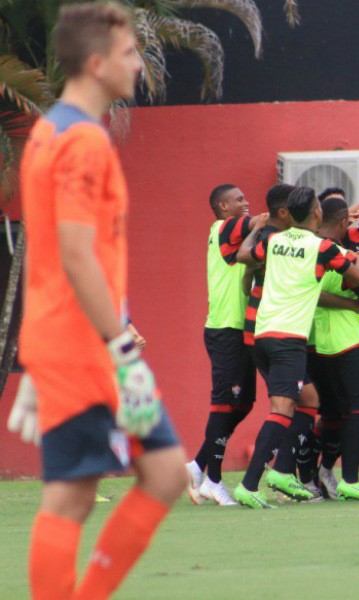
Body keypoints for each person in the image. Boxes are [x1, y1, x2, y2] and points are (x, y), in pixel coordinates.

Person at [6, 3, 187, 597]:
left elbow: (51, 255)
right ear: (95, 63)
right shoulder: (81, 142)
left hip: (79, 342)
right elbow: (76, 254)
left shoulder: (51, 133)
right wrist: (120, 348)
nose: (139, 64)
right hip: (87, 349)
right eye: (129, 53)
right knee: (72, 494)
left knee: (164, 472)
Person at [233, 186, 359, 508]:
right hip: (288, 339)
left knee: (309, 400)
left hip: (262, 335)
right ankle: (249, 484)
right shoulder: (323, 247)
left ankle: (282, 471)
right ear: (317, 212)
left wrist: (253, 231)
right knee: (282, 409)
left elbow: (242, 256)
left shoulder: (274, 241)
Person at [185, 183, 293, 498]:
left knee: (243, 403)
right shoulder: (223, 226)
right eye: (239, 199)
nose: (246, 203)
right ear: (223, 206)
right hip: (225, 328)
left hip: (241, 328)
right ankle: (214, 480)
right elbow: (261, 219)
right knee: (224, 404)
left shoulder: (234, 235)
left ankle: (198, 465)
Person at [308, 195, 359, 501]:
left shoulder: (304, 251)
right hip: (347, 341)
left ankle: (311, 475)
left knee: (329, 412)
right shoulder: (343, 255)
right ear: (344, 222)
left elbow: (311, 293)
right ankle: (351, 479)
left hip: (314, 342)